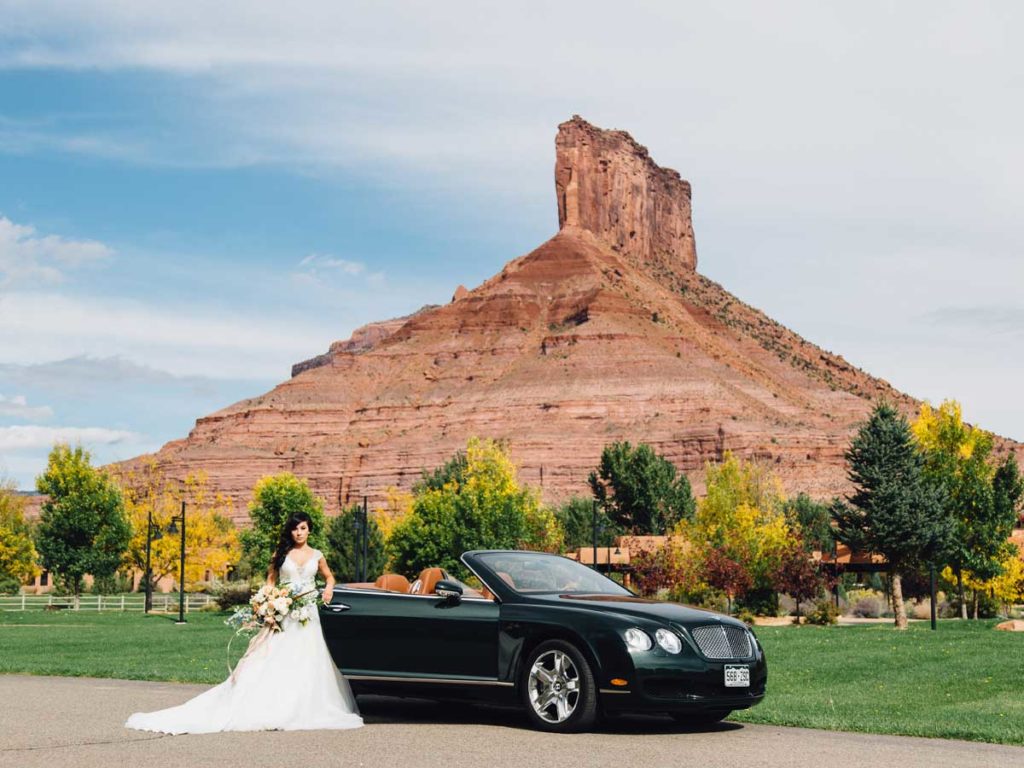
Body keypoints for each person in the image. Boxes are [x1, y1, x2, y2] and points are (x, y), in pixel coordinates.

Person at [125, 512, 363, 734]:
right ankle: (274, 704)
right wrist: (267, 604)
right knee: (278, 656)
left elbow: (329, 577)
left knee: (309, 658)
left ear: (309, 530)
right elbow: (270, 582)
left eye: (303, 528)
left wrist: (329, 589)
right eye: (294, 529)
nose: (299, 533)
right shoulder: (280, 555)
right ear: (290, 532)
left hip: (308, 613)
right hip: (285, 611)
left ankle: (306, 705)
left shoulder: (318, 555)